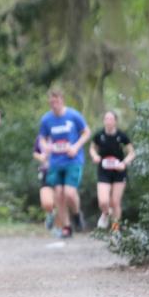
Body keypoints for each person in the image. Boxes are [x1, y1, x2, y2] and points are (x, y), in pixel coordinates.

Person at [38, 88, 91, 239]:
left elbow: (87, 132)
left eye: (57, 101)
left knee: (69, 193)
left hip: (73, 160)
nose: (54, 104)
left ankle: (76, 214)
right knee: (58, 195)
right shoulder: (46, 119)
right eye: (51, 102)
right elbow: (42, 138)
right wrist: (45, 146)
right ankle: (67, 227)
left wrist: (75, 147)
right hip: (55, 161)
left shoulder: (73, 115)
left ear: (62, 100)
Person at [89, 110, 135, 232]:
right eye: (106, 119)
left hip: (118, 172)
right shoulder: (99, 135)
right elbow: (92, 149)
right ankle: (105, 213)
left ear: (115, 121)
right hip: (104, 171)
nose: (108, 121)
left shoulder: (122, 136)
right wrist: (95, 156)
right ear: (104, 121)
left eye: (111, 119)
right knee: (103, 201)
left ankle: (115, 230)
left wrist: (124, 163)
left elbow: (132, 153)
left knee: (115, 202)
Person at [33, 133, 55, 229]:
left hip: (61, 170)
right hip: (45, 171)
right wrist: (40, 157)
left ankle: (63, 225)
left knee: (61, 198)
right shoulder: (40, 137)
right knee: (46, 203)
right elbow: (35, 152)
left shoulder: (63, 134)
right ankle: (51, 213)